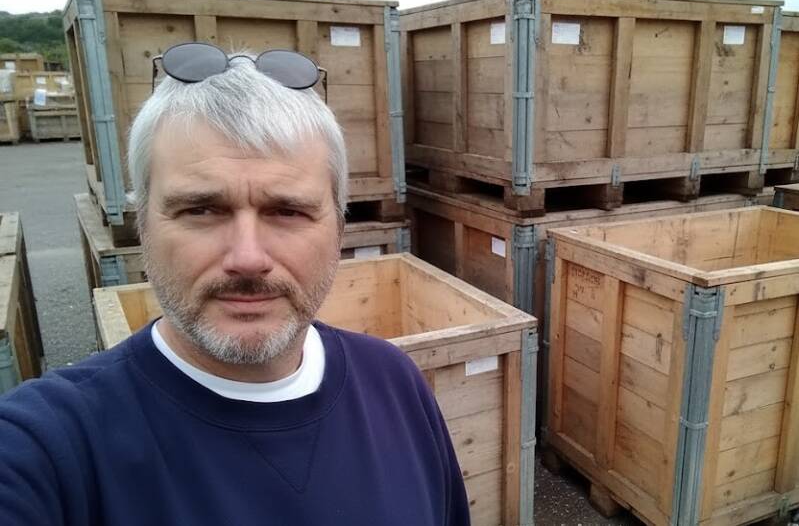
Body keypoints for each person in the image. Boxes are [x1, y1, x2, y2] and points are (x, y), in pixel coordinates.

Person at [0, 44, 470, 525]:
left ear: (339, 228)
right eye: (201, 210)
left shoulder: (395, 383)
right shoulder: (47, 448)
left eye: (287, 211)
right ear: (142, 227)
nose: (248, 259)